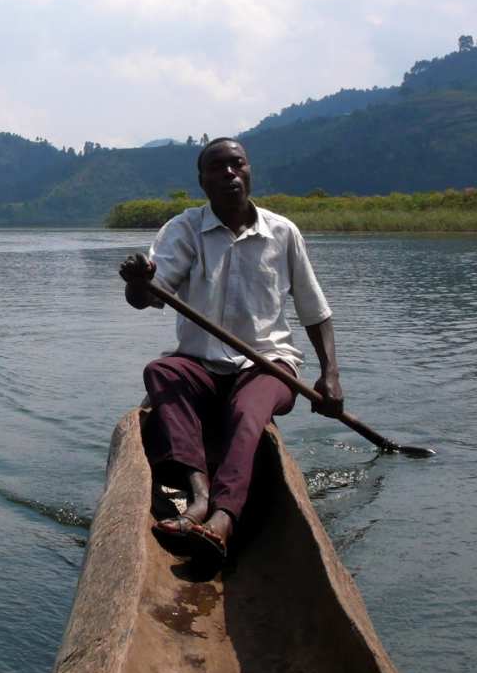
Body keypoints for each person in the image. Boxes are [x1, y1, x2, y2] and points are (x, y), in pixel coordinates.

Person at [118, 137, 341, 562]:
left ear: (249, 170)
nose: (229, 174)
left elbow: (316, 311)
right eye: (217, 168)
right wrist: (138, 281)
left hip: (269, 365)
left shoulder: (282, 233)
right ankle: (198, 493)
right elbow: (146, 297)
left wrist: (330, 373)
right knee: (162, 372)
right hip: (201, 365)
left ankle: (224, 517)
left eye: (237, 165)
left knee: (247, 410)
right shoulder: (183, 230)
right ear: (201, 181)